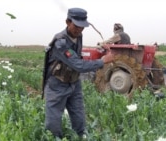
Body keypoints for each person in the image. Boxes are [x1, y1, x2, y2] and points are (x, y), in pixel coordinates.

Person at [42, 7, 114, 139]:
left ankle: (81, 137)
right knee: (53, 125)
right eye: (76, 26)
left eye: (82, 27)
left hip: (74, 83)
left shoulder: (78, 35)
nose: (79, 30)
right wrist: (102, 61)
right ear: (67, 22)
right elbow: (78, 64)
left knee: (79, 118)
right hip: (57, 85)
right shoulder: (60, 42)